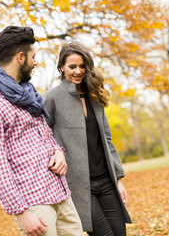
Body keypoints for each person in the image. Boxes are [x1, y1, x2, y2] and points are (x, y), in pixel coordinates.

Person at [0, 26, 84, 236]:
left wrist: (59, 152)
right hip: (35, 205)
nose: (36, 62)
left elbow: (46, 136)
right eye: (34, 57)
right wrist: (21, 213)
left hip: (60, 193)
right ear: (20, 57)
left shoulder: (28, 94)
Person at [43, 42, 132, 236]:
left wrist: (118, 180)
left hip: (107, 182)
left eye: (82, 66)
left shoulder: (95, 95)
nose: (78, 71)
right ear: (61, 67)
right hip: (79, 187)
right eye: (72, 66)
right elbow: (42, 136)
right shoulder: (52, 97)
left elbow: (107, 139)